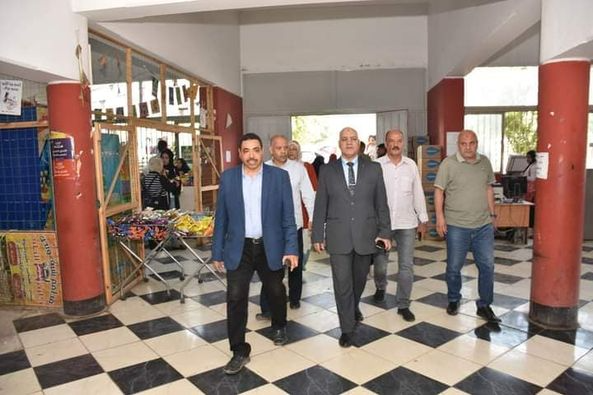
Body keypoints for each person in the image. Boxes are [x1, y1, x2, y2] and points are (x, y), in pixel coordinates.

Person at [211, 133, 298, 375]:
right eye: (246, 150)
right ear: (239, 153)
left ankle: (279, 325)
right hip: (240, 247)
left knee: (275, 290)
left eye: (256, 150)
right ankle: (239, 350)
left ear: (263, 152)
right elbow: (222, 219)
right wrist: (217, 251)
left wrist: (291, 248)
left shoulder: (279, 177)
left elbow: (288, 217)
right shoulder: (228, 179)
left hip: (270, 245)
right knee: (235, 297)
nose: (251, 155)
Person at [312, 127, 391, 348]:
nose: (349, 142)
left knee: (358, 280)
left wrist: (385, 232)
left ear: (359, 143)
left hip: (366, 236)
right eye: (345, 139)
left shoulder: (374, 169)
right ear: (339, 143)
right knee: (342, 283)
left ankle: (353, 306)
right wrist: (318, 233)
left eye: (353, 139)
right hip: (338, 237)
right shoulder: (328, 170)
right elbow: (321, 204)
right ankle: (346, 328)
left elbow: (381, 203)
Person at [434, 130, 500, 323]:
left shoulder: (485, 162)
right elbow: (439, 191)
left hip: (483, 225)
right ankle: (454, 299)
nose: (468, 147)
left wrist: (493, 214)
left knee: (487, 266)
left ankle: (485, 305)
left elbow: (489, 188)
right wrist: (439, 218)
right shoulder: (448, 164)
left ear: (477, 144)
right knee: (454, 267)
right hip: (456, 225)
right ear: (458, 145)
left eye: (471, 143)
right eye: (464, 143)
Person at [373, 129, 428, 322]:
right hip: (382, 225)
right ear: (386, 144)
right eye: (391, 141)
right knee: (380, 264)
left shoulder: (411, 165)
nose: (395, 144)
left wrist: (423, 219)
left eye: (399, 141)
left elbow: (418, 192)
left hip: (407, 223)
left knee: (406, 266)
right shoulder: (376, 166)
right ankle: (380, 286)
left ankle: (403, 304)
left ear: (403, 143)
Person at [257, 135, 315, 319]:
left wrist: (312, 217)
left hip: (294, 225)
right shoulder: (262, 169)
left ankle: (295, 297)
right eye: (279, 148)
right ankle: (266, 307)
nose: (283, 151)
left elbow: (308, 194)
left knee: (295, 266)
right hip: (270, 229)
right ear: (271, 149)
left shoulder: (299, 169)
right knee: (270, 267)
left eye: (285, 147)